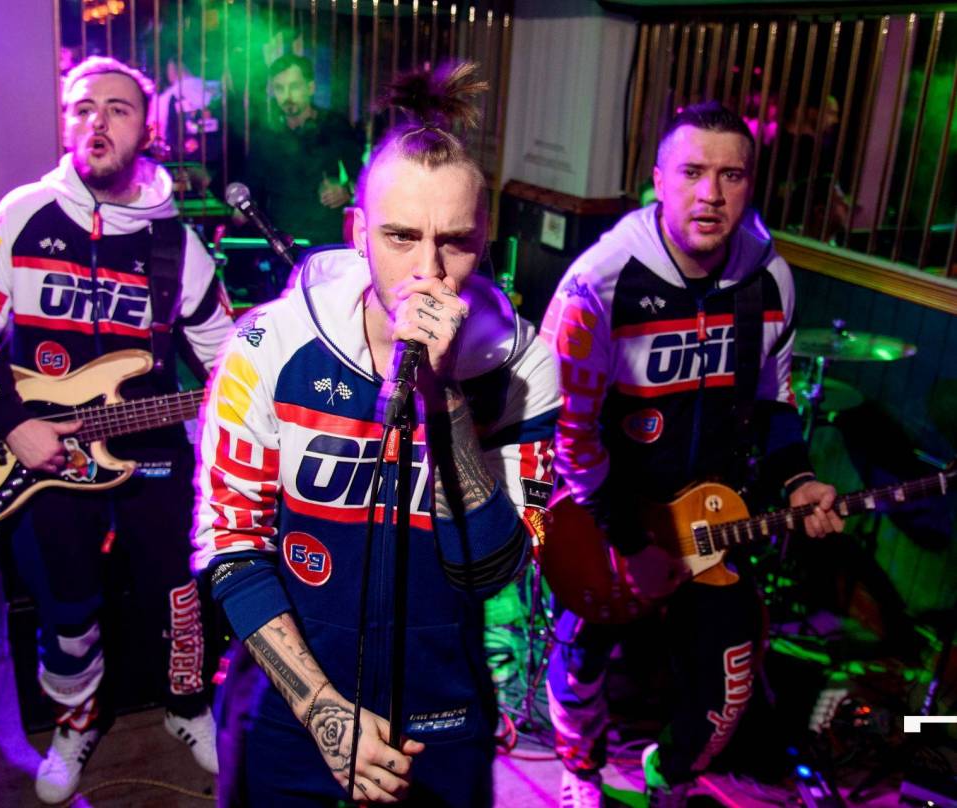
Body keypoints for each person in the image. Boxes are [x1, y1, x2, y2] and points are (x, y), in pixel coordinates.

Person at [194, 62, 561, 807]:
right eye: (399, 237)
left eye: (454, 242)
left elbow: (494, 570)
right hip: (289, 710)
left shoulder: (523, 362)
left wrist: (442, 398)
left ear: (484, 238)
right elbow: (231, 547)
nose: (427, 271)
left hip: (443, 716)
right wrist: (325, 714)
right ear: (357, 231)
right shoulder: (268, 345)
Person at [0, 56, 233, 804]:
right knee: (67, 608)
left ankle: (186, 706)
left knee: (179, 595)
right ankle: (75, 722)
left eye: (118, 109)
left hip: (152, 448)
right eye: (82, 107)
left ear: (147, 130)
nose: (97, 120)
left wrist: (264, 372)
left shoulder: (176, 246)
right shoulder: (21, 215)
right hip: (39, 452)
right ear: (65, 122)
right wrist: (13, 424)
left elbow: (225, 356)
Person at [539, 101, 845, 807]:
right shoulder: (599, 282)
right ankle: (579, 770)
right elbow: (570, 433)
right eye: (691, 173)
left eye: (730, 175)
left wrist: (797, 479)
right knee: (581, 662)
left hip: (713, 516)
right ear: (657, 179)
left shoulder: (770, 278)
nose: (710, 194)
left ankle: (667, 775)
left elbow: (772, 402)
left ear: (750, 183)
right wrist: (628, 542)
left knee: (729, 678)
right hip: (603, 514)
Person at [241, 54, 365, 248]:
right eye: (280, 88)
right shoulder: (265, 134)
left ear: (310, 88)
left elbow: (363, 176)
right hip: (279, 242)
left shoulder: (333, 125)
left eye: (294, 86)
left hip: (324, 240)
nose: (287, 96)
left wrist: (346, 190)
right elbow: (252, 186)